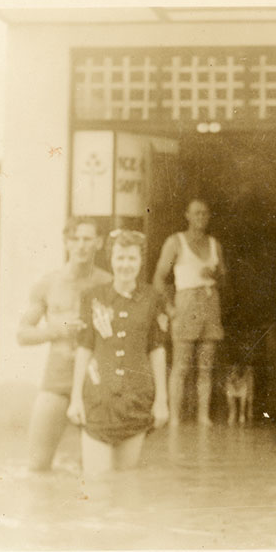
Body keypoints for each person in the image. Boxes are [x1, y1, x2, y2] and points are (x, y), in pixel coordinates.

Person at [66, 230, 169, 475]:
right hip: (99, 400)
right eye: (120, 257)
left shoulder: (153, 299)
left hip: (136, 400)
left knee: (125, 481)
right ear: (111, 259)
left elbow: (157, 350)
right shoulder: (92, 297)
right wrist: (75, 398)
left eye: (132, 258)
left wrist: (161, 401)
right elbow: (84, 348)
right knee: (96, 481)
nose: (125, 265)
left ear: (140, 261)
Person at [17, 216, 111, 471]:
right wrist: (58, 329)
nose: (81, 245)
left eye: (87, 239)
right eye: (75, 239)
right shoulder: (48, 284)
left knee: (95, 470)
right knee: (37, 466)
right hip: (57, 378)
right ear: (67, 243)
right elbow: (23, 334)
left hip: (95, 382)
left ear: (99, 243)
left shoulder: (107, 284)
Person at [153, 199, 227, 427]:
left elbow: (224, 279)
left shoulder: (214, 244)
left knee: (206, 366)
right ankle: (174, 417)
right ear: (187, 215)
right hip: (185, 303)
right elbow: (158, 278)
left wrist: (214, 274)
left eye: (205, 213)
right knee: (181, 365)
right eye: (196, 213)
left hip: (210, 303)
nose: (201, 217)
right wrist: (170, 308)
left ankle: (203, 416)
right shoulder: (176, 242)